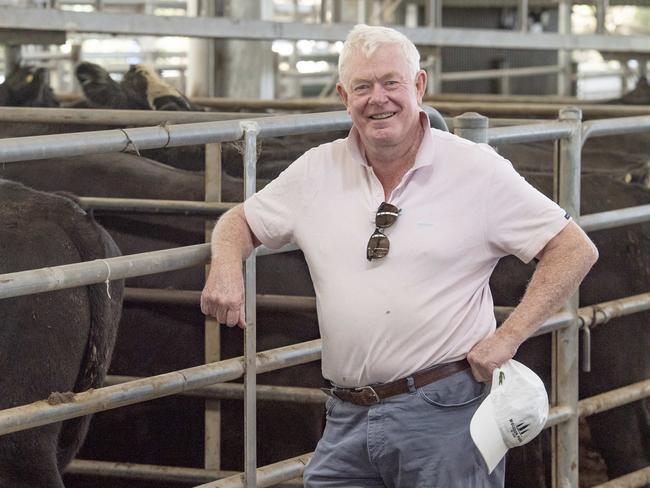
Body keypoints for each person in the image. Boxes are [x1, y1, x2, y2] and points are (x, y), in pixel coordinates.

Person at [200, 24, 598, 488]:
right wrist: (226, 267)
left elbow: (574, 247)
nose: (378, 99)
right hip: (346, 414)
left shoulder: (475, 169)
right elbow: (239, 221)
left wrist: (508, 337)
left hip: (445, 410)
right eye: (363, 87)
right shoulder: (317, 170)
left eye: (392, 83)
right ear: (343, 96)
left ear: (419, 86)